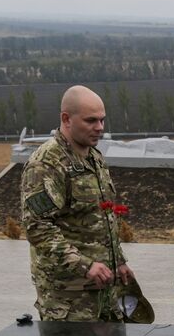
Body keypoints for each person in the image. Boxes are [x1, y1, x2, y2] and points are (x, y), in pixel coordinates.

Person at [21, 85, 139, 322]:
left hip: (103, 288)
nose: (100, 128)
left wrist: (119, 261)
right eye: (91, 121)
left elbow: (102, 218)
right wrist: (85, 266)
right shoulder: (47, 164)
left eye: (102, 120)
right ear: (66, 119)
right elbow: (38, 227)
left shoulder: (93, 158)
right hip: (69, 296)